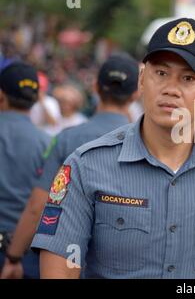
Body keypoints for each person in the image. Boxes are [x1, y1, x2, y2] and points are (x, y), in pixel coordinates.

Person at [31, 18, 195, 279]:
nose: (171, 89)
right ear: (142, 79)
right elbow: (59, 272)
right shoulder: (87, 165)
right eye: (161, 73)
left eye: (188, 78)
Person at [1, 54, 139, 279]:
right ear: (136, 93)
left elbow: (39, 205)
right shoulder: (149, 144)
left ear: (95, 87)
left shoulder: (66, 139)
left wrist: (14, 256)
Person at [0, 62, 50, 279]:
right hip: (26, 252)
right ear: (35, 99)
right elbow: (40, 205)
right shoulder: (48, 143)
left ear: (1, 95)